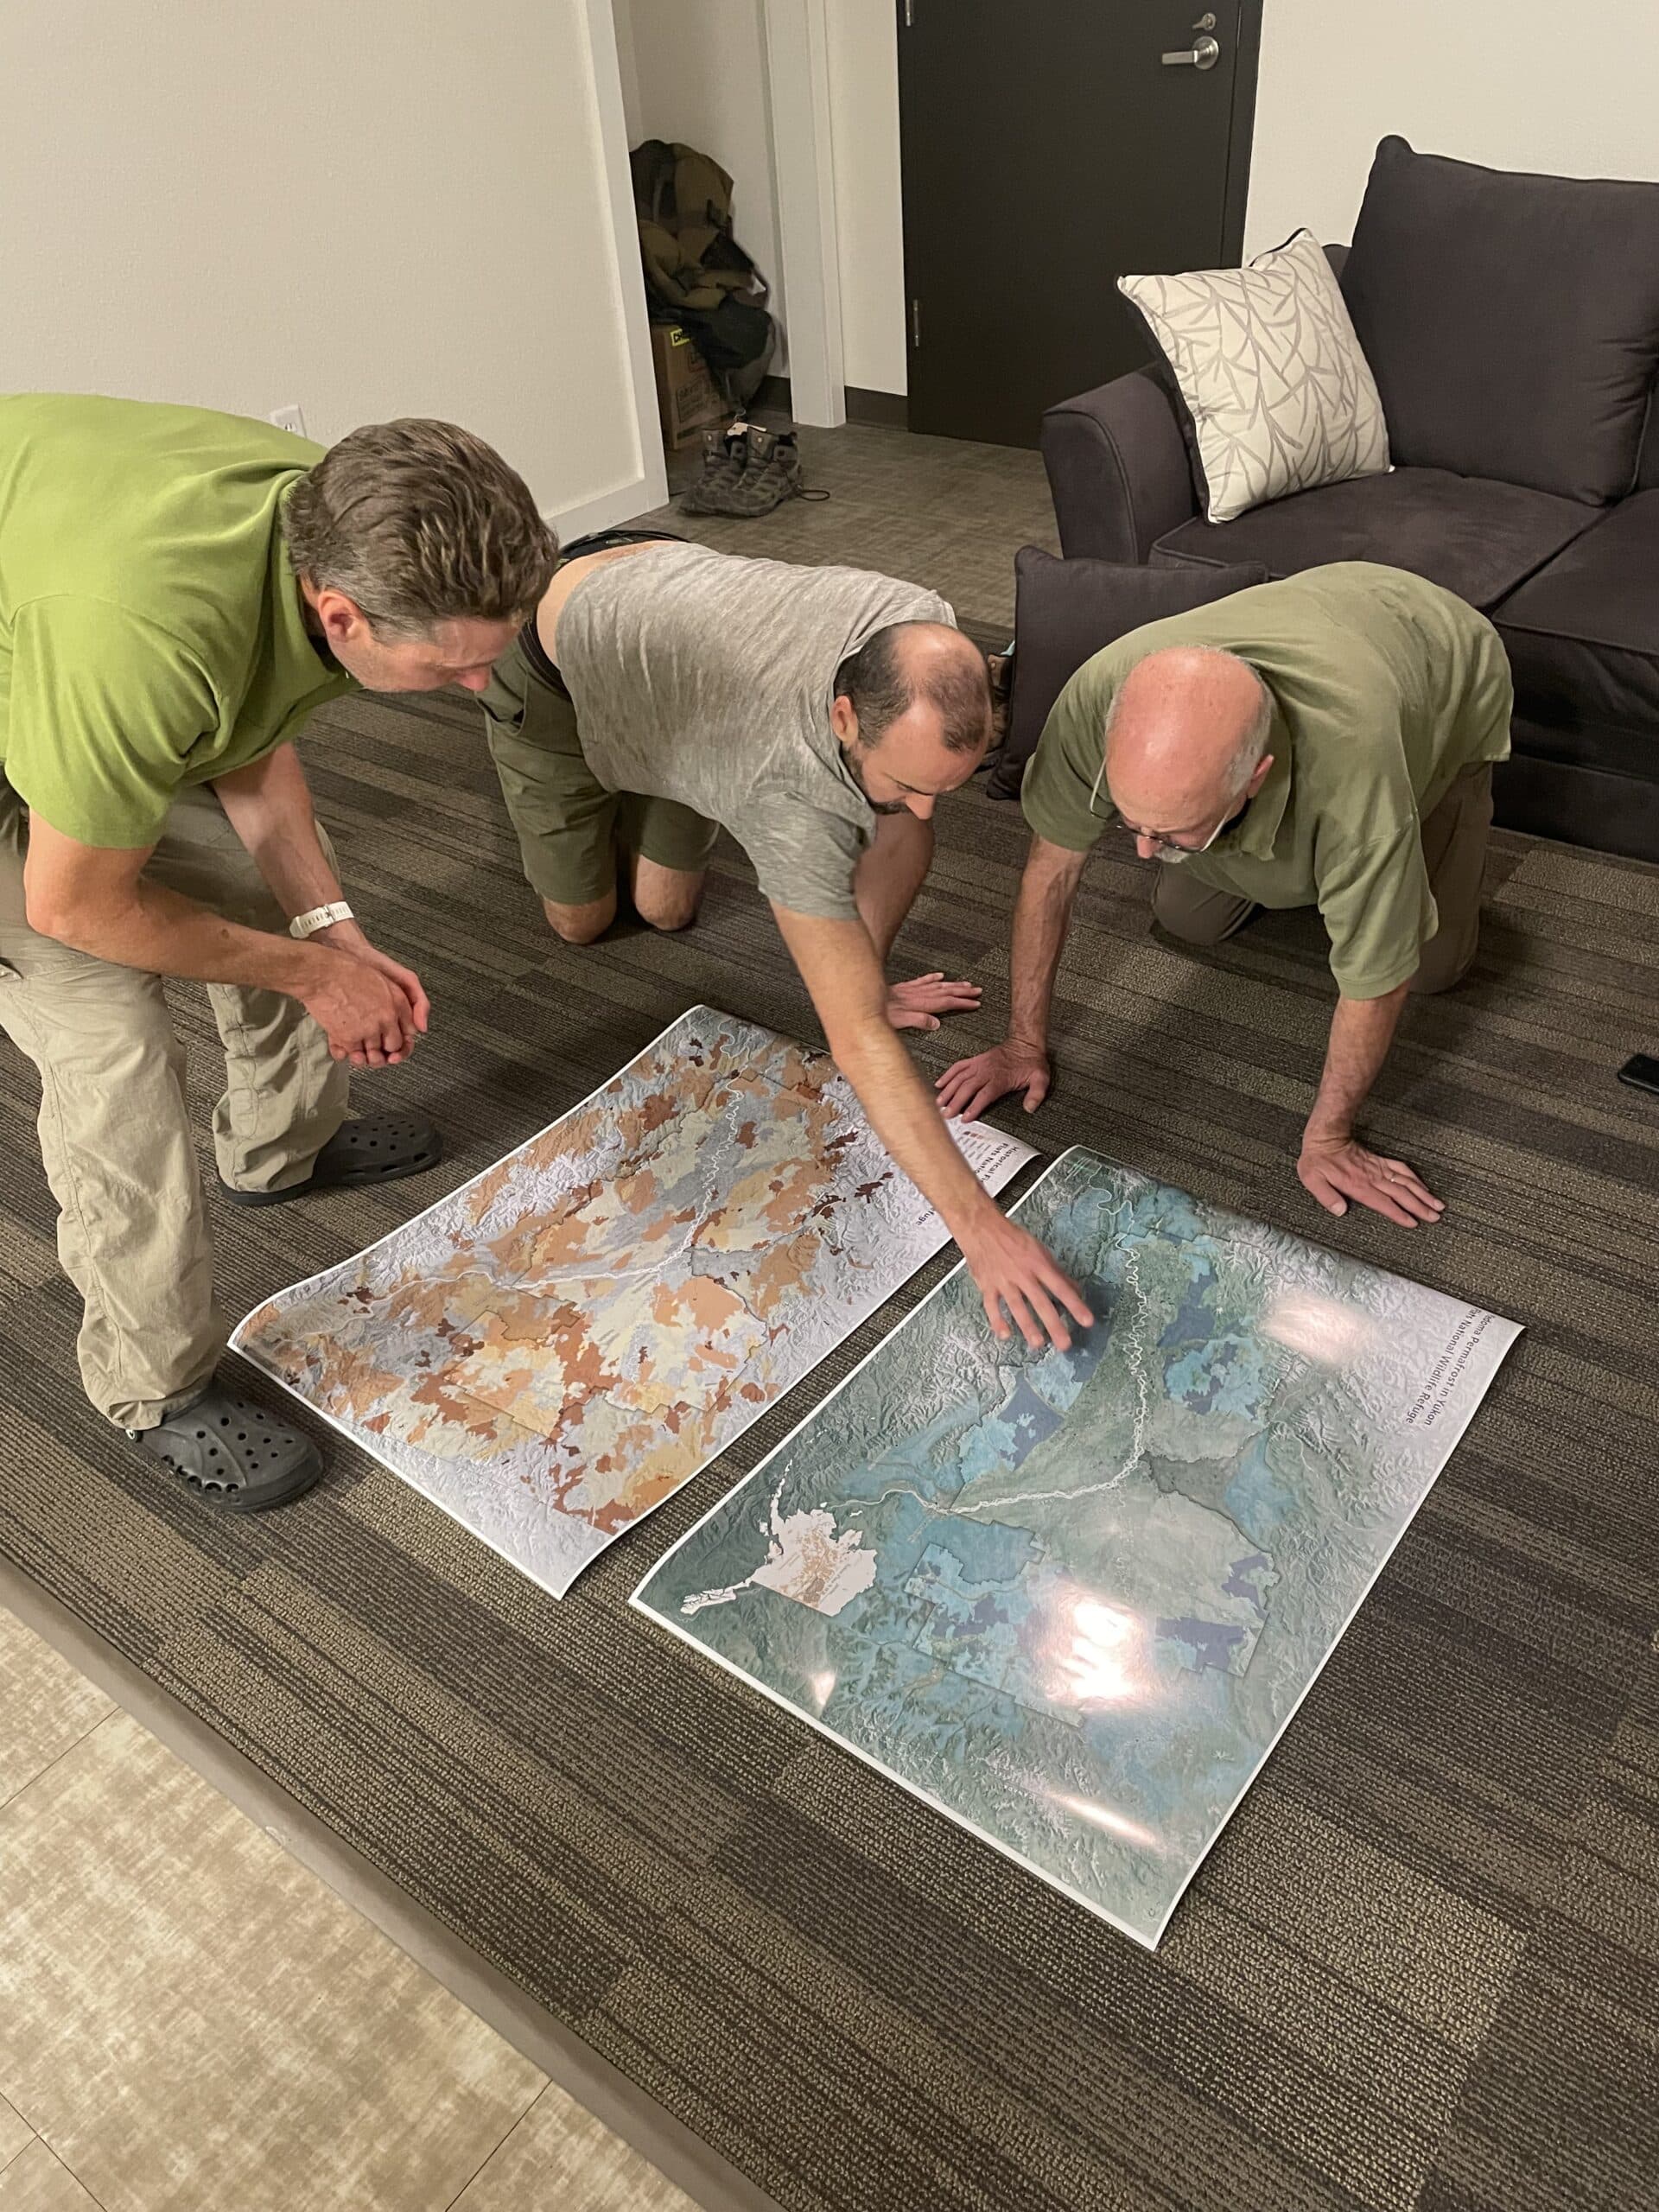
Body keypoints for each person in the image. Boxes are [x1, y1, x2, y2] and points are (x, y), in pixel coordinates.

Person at [0, 393, 557, 1509]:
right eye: (451, 671)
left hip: (67, 671)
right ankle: (154, 1386)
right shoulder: (146, 638)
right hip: (66, 684)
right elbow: (72, 906)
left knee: (263, 902)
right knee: (114, 1056)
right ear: (344, 614)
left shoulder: (335, 510)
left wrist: (330, 933)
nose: (481, 690)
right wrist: (315, 974)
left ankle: (279, 1149)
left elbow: (253, 739)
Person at [480, 532, 1092, 1353]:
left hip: (686, 652)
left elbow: (900, 829)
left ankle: (668, 774)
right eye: (907, 784)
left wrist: (864, 978)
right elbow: (855, 1040)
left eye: (942, 785)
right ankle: (606, 786)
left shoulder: (922, 632)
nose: (922, 809)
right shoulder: (782, 787)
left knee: (664, 909)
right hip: (563, 664)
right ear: (844, 717)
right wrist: (981, 1230)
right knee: (583, 921)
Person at [938, 563, 1513, 1228]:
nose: (1145, 852)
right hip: (1315, 625)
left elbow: (1375, 981)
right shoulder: (1095, 697)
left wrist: (1328, 1138)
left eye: (1170, 828)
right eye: (1132, 822)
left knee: (1430, 967)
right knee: (1186, 918)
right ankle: (1294, 866)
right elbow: (1051, 874)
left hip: (1441, 665)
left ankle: (1333, 864)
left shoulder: (1359, 775)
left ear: (1256, 778)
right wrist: (1020, 1043)